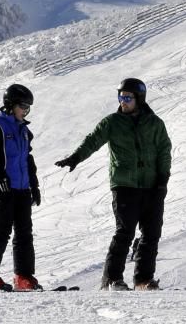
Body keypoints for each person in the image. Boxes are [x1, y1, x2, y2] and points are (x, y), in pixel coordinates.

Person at [55, 78, 172, 291]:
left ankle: (143, 280)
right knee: (124, 233)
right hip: (124, 186)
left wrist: (163, 180)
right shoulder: (112, 123)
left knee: (151, 234)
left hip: (152, 187)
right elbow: (93, 140)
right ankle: (111, 279)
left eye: (127, 97)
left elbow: (164, 150)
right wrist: (75, 158)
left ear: (139, 99)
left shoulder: (155, 123)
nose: (123, 102)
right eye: (120, 97)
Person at [0, 84, 42, 291]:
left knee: (24, 231)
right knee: (2, 229)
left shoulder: (23, 131)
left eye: (28, 107)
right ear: (11, 105)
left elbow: (27, 159)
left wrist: (34, 185)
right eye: (23, 106)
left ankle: (23, 277)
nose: (25, 111)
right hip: (2, 187)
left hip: (21, 188)